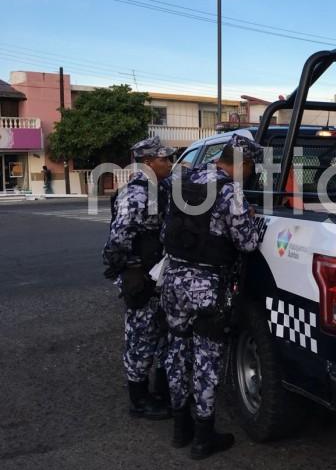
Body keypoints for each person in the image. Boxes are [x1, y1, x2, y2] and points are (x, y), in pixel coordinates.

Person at [161, 134, 262, 460]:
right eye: (250, 168)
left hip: (173, 280)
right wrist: (253, 220)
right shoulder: (229, 191)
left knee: (178, 349)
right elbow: (246, 243)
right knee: (206, 359)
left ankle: (180, 430)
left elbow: (166, 228)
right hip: (205, 285)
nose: (250, 174)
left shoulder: (184, 178)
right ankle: (203, 439)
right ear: (243, 164)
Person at [102, 135, 175, 420]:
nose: (169, 162)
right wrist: (122, 269)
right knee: (140, 337)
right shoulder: (136, 194)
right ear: (147, 162)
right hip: (141, 278)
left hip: (160, 276)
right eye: (164, 158)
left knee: (162, 336)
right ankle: (139, 400)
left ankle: (159, 392)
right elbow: (118, 239)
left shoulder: (163, 188)